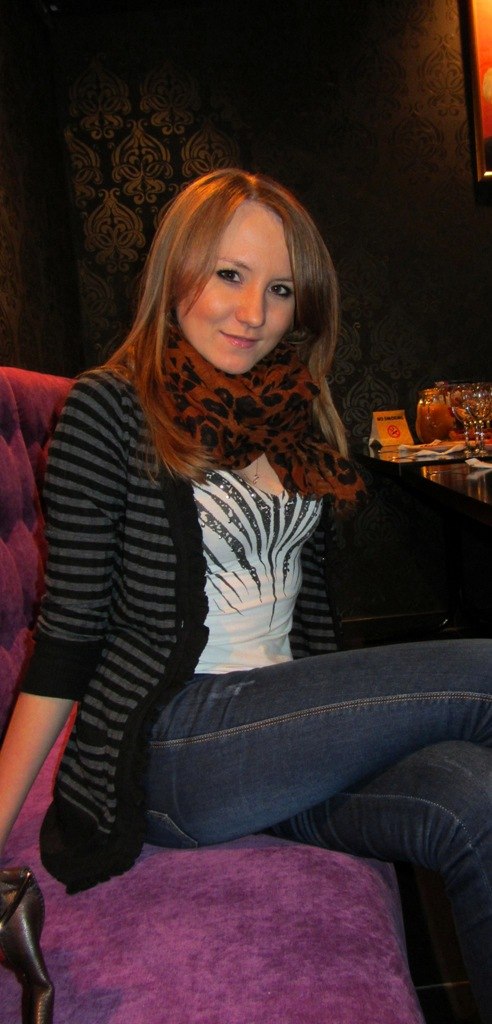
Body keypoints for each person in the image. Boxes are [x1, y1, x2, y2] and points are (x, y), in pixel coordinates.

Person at [0, 168, 491, 1022]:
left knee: (474, 797)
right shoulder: (109, 410)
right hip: (179, 746)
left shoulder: (294, 415)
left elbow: (310, 612)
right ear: (176, 271)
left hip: (278, 739)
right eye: (229, 274)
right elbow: (69, 636)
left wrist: (340, 719)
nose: (253, 313)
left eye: (281, 289)